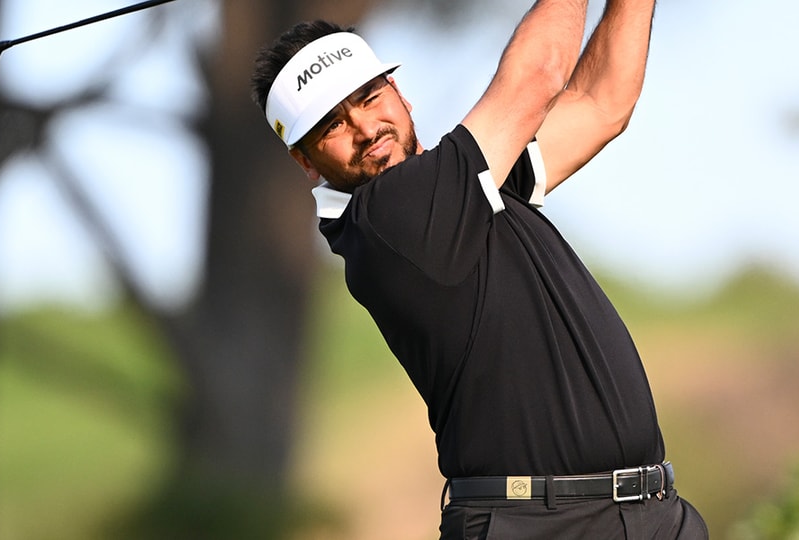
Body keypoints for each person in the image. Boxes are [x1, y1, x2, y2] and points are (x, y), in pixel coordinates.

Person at [250, 1, 708, 538]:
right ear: (306, 161)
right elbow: (539, 75)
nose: (365, 126)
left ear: (401, 94)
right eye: (331, 124)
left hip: (650, 513)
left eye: (370, 97)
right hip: (536, 524)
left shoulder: (460, 193)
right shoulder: (390, 216)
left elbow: (599, 102)